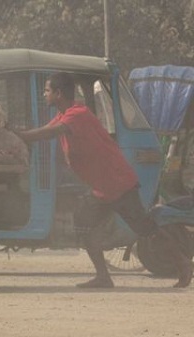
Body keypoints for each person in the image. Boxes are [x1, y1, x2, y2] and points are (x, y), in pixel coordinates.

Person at [15, 72, 192, 288]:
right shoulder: (64, 115)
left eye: (47, 90)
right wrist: (19, 134)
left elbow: (48, 132)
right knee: (84, 225)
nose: (44, 94)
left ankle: (182, 263)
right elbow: (46, 131)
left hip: (118, 184)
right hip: (101, 188)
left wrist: (19, 136)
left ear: (58, 93)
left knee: (146, 229)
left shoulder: (77, 114)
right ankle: (103, 277)